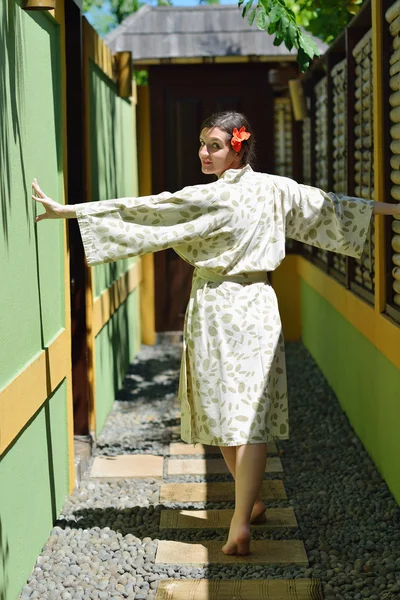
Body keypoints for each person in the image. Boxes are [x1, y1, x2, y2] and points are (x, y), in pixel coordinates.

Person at [33, 110, 400, 556]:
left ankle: (240, 521)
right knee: (250, 415)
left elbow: (146, 211)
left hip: (216, 306)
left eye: (214, 145)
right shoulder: (278, 189)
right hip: (259, 304)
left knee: (223, 411)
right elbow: (333, 205)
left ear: (237, 147)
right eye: (203, 144)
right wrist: (391, 209)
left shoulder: (208, 198)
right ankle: (251, 502)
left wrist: (71, 212)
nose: (203, 152)